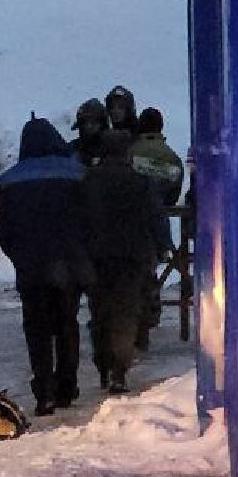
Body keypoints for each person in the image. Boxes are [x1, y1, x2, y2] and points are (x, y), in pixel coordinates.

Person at [0, 116, 94, 415]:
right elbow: (90, 219)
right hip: (69, 266)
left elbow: (1, 226)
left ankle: (44, 390)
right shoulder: (77, 174)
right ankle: (66, 385)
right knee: (66, 323)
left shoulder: (9, 180)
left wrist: (18, 255)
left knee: (36, 328)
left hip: (31, 267)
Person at [81, 128, 168, 394]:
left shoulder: (87, 181)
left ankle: (103, 365)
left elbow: (78, 217)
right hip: (132, 255)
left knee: (100, 311)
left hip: (96, 255)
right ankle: (119, 370)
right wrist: (162, 246)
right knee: (125, 312)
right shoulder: (141, 181)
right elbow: (156, 215)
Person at [127, 107, 184, 350]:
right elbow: (174, 189)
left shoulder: (132, 152)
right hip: (157, 221)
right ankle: (150, 312)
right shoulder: (171, 157)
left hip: (131, 222)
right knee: (150, 270)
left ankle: (136, 322)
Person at [69, 98, 110, 166]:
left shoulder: (113, 147)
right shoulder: (72, 148)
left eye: (93, 122)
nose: (88, 126)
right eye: (84, 122)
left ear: (103, 124)